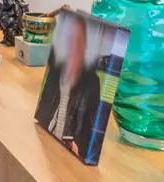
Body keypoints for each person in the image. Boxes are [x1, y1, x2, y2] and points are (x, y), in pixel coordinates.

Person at [35, 13, 109, 162]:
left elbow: (88, 127)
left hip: (68, 154)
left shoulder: (91, 82)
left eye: (78, 41)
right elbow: (43, 108)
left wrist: (79, 149)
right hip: (45, 139)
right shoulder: (55, 71)